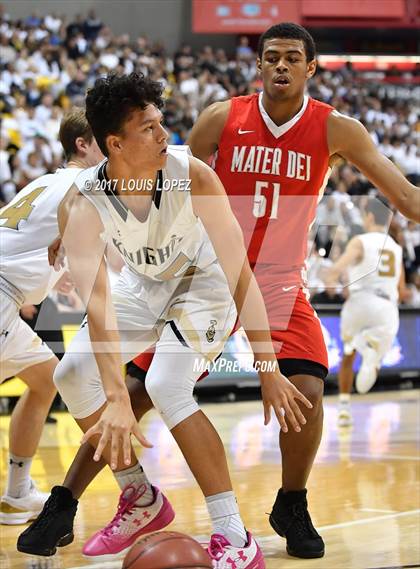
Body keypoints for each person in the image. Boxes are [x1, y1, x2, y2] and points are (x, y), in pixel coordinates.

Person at [127, 21, 419, 559]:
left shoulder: (337, 129)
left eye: (291, 58)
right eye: (270, 57)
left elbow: (406, 198)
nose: (280, 65)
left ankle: (292, 500)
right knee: (134, 388)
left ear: (311, 67)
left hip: (282, 283)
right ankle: (73, 500)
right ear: (258, 65)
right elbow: (175, 188)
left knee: (307, 391)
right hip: (213, 276)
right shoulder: (222, 117)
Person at [18, 73, 312, 569]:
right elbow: (98, 306)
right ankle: (140, 497)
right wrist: (113, 399)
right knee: (71, 374)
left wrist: (268, 367)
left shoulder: (191, 175)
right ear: (115, 143)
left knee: (167, 384)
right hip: (144, 281)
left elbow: (241, 274)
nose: (164, 135)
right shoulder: (82, 203)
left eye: (162, 122)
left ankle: (235, 536)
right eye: (150, 127)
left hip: (207, 282)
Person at [0, 108, 103, 525]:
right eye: (107, 141)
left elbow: (31, 241)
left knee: (46, 380)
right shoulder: (87, 182)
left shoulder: (44, 181)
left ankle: (17, 492)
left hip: (7, 294)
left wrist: (54, 276)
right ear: (83, 144)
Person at [326, 198, 405, 427]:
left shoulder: (360, 241)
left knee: (348, 355)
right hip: (386, 308)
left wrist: (331, 278)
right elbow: (401, 290)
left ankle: (343, 408)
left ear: (369, 217)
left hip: (359, 302)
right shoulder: (396, 248)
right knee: (374, 360)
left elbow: (337, 268)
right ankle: (369, 348)